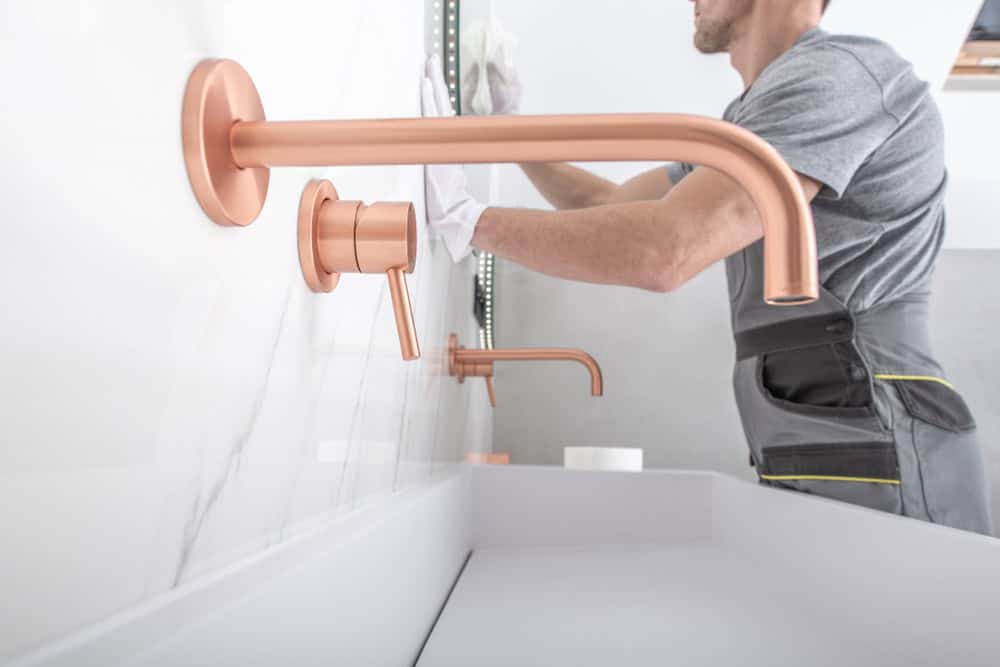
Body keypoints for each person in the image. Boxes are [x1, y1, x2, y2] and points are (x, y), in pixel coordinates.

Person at [420, 0, 993, 535]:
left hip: (882, 431)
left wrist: (470, 222)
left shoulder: (842, 78)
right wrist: (512, 126)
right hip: (827, 422)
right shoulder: (750, 119)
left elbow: (665, 251)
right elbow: (605, 208)